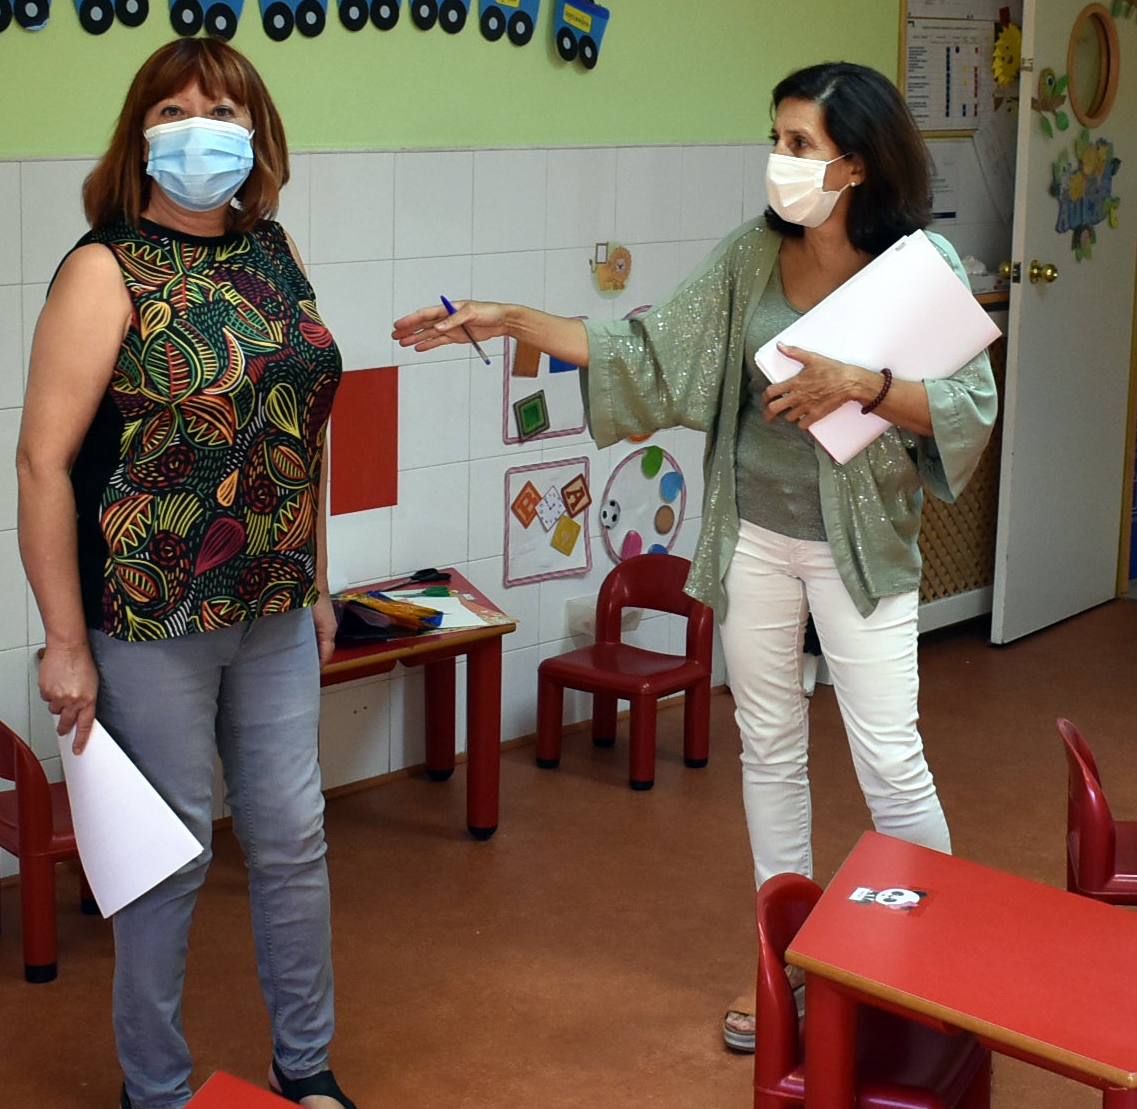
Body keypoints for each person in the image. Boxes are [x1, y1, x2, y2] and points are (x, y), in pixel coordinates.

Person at [395, 60, 996, 1052]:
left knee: (890, 758)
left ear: (855, 163)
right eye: (776, 137)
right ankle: (790, 968)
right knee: (769, 750)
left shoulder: (918, 265)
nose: (778, 159)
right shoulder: (749, 257)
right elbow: (647, 349)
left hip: (862, 546)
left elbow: (970, 407)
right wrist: (510, 320)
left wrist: (864, 382)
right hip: (756, 534)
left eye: (799, 143)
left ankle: (925, 966)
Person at [15, 37, 358, 1109]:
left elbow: (311, 421)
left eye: (220, 106)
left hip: (269, 603)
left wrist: (313, 571)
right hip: (149, 610)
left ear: (254, 130)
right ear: (139, 133)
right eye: (173, 107)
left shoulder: (274, 251)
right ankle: (155, 1093)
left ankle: (306, 1065)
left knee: (293, 835)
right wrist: (64, 640)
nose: (197, 124)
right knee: (168, 857)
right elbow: (42, 462)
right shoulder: (103, 269)